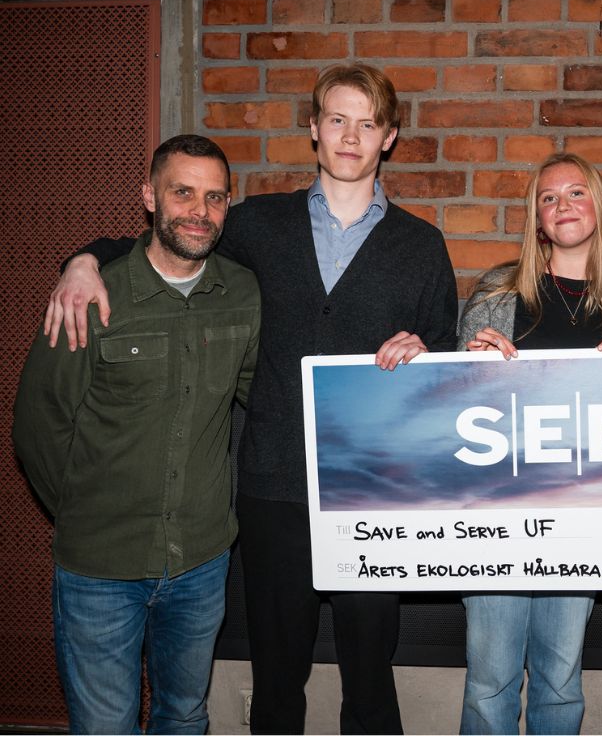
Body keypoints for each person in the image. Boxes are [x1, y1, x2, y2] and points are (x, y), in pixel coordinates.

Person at [44, 63, 459, 734]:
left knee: (371, 681)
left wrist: (426, 354)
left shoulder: (421, 245)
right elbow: (171, 241)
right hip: (272, 487)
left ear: (389, 137)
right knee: (276, 681)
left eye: (368, 123)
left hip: (376, 493)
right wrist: (85, 258)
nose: (351, 137)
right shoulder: (257, 224)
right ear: (314, 129)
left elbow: (444, 358)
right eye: (337, 119)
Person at [13, 134, 260, 734]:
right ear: (149, 197)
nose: (200, 211)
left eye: (215, 197)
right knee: (105, 725)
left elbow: (263, 397)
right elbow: (39, 426)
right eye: (183, 193)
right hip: (100, 568)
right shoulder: (91, 296)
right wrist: (85, 512)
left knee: (185, 715)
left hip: (201, 561)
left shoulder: (242, 294)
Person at [457, 152, 602, 735]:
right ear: (537, 217)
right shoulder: (497, 292)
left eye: (575, 192)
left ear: (599, 206)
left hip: (586, 516)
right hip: (497, 515)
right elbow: (453, 408)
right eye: (549, 197)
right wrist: (472, 368)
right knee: (489, 679)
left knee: (561, 680)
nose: (562, 205)